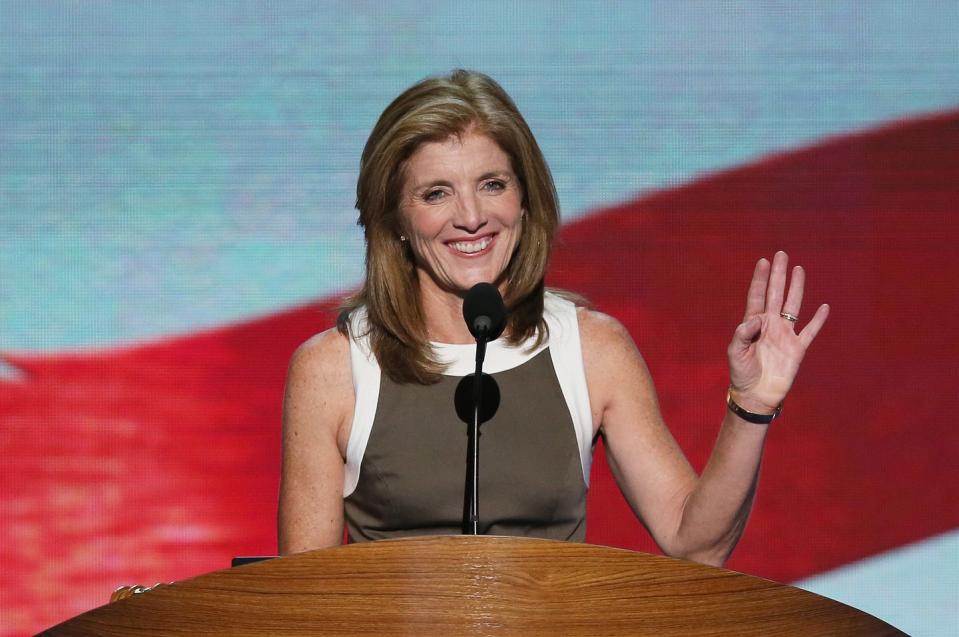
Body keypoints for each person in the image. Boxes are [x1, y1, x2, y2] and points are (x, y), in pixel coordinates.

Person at [277, 70, 829, 566]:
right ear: (395, 217)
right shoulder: (333, 368)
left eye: (493, 184)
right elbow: (302, 599)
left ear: (524, 199)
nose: (472, 217)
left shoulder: (591, 347)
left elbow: (697, 544)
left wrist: (752, 407)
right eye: (436, 193)